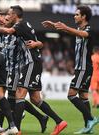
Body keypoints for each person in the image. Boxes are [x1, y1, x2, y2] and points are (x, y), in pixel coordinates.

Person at [0, 5, 67, 135]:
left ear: (15, 15)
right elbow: (38, 42)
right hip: (33, 62)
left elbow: (8, 30)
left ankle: (15, 130)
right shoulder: (24, 25)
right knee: (35, 99)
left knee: (19, 95)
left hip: (30, 62)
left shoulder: (20, 25)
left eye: (9, 14)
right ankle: (60, 122)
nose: (7, 16)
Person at [0, 9, 49, 134]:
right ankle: (39, 117)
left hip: (15, 69)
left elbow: (36, 41)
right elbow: (5, 26)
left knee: (10, 97)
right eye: (5, 18)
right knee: (1, 96)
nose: (5, 19)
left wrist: (37, 43)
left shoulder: (16, 33)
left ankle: (6, 125)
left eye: (8, 16)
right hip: (4, 70)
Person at [42, 5, 98, 134]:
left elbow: (81, 34)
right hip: (81, 69)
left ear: (84, 17)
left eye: (77, 14)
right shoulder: (78, 29)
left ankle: (91, 118)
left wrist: (65, 27)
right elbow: (72, 31)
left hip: (84, 68)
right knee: (83, 96)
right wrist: (55, 25)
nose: (74, 16)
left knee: (71, 94)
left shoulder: (88, 30)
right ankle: (88, 127)